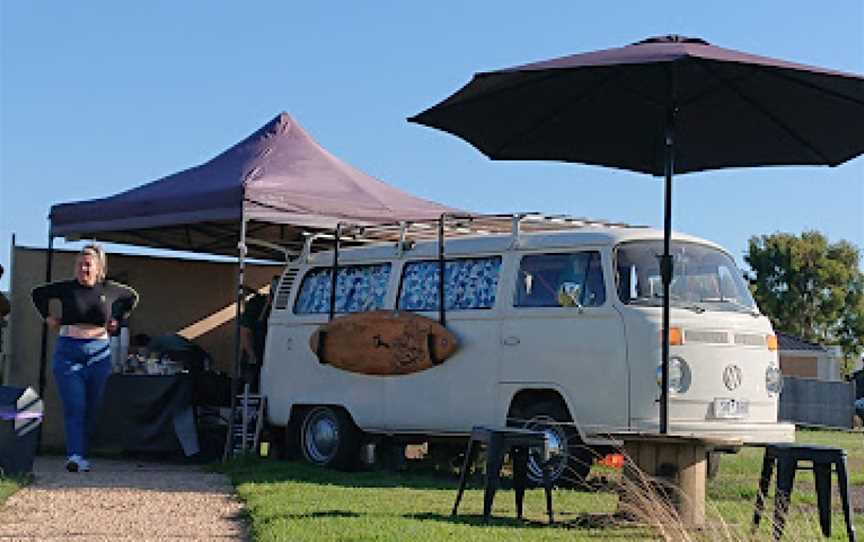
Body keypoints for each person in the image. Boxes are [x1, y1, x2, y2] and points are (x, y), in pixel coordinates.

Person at [31, 244, 138, 472]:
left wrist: (117, 318)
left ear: (98, 268)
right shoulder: (67, 288)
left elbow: (132, 297)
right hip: (68, 351)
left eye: (88, 264)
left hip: (99, 352)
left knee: (93, 407)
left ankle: (83, 451)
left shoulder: (109, 289)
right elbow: (37, 294)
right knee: (75, 405)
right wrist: (48, 317)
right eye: (79, 264)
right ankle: (75, 456)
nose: (83, 268)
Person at [239, 277, 277, 392]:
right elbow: (245, 331)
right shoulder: (257, 303)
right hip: (256, 355)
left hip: (271, 357)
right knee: (252, 390)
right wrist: (252, 355)